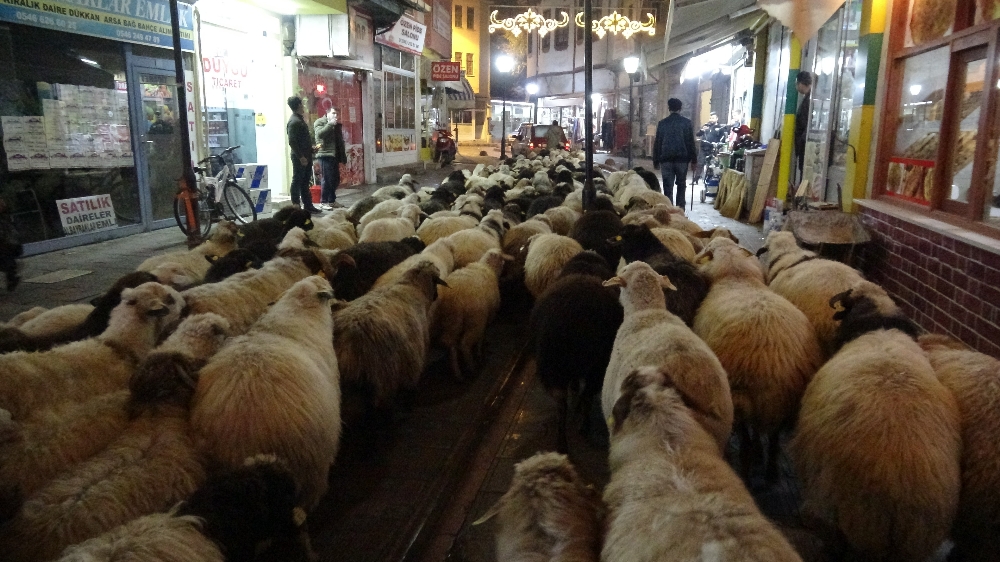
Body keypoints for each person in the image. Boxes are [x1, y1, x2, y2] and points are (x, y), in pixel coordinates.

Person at [652, 98, 697, 208]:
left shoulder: (662, 123)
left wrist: (656, 160)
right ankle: (680, 209)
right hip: (682, 159)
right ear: (680, 108)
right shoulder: (687, 123)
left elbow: (658, 142)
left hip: (666, 159)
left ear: (669, 108)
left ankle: (669, 209)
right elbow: (690, 142)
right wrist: (694, 160)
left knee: (668, 186)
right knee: (681, 184)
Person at [286, 96, 320, 214]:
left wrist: (311, 149)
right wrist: (301, 157)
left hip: (306, 156)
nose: (303, 106)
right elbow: (292, 142)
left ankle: (308, 205)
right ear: (299, 105)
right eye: (302, 104)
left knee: (305, 181)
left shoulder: (299, 120)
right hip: (300, 158)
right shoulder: (294, 121)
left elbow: (301, 141)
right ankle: (296, 206)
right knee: (297, 181)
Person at [313, 106, 347, 210]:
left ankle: (331, 200)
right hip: (325, 154)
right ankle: (323, 201)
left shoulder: (336, 125)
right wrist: (330, 124)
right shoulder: (320, 122)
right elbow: (319, 134)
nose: (335, 115)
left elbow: (339, 141)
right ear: (327, 113)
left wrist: (342, 156)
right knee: (326, 179)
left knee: (335, 179)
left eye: (337, 114)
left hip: (334, 155)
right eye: (333, 113)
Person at [794, 71, 813, 181]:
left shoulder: (809, 100)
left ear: (801, 83)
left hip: (805, 144)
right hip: (803, 144)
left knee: (805, 173)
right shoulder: (808, 98)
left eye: (797, 84)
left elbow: (806, 122)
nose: (796, 87)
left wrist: (802, 141)